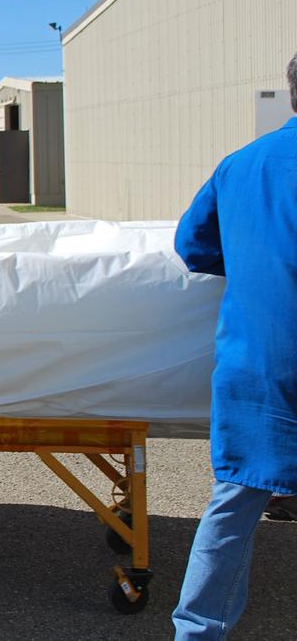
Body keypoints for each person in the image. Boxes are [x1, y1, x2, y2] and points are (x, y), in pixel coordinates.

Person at [170, 51, 297, 639]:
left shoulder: (240, 164)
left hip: (255, 363)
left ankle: (196, 629)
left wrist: (250, 265)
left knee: (236, 502)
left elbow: (192, 244)